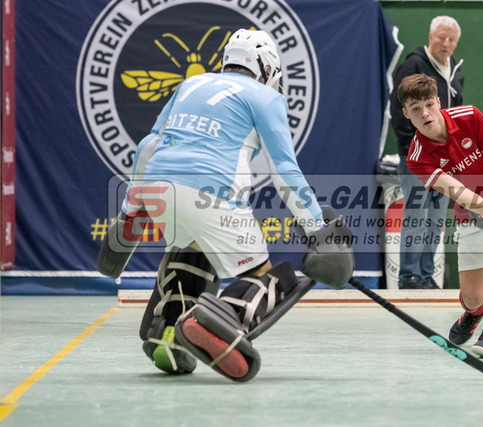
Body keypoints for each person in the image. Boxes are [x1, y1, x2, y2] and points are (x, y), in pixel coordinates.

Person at [97, 29, 353, 381]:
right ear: (268, 70)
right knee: (268, 279)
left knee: (192, 247)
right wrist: (317, 229)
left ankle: (168, 334)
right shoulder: (266, 96)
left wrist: (130, 215)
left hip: (158, 188)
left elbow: (147, 147)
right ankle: (221, 319)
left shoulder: (191, 84)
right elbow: (284, 170)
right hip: (211, 192)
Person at [397, 73, 483, 358]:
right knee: (472, 298)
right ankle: (475, 313)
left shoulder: (469, 116)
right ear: (406, 114)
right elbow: (456, 191)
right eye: (416, 108)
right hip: (469, 207)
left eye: (429, 104)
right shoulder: (417, 157)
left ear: (438, 102)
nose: (425, 113)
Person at [389, 16, 464, 289]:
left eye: (451, 39)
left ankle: (426, 276)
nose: (446, 43)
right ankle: (409, 277)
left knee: (435, 219)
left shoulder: (456, 70)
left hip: (445, 159)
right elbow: (398, 111)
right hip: (417, 158)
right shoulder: (413, 65)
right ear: (430, 37)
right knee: (417, 215)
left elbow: (455, 114)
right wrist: (413, 147)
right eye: (441, 37)